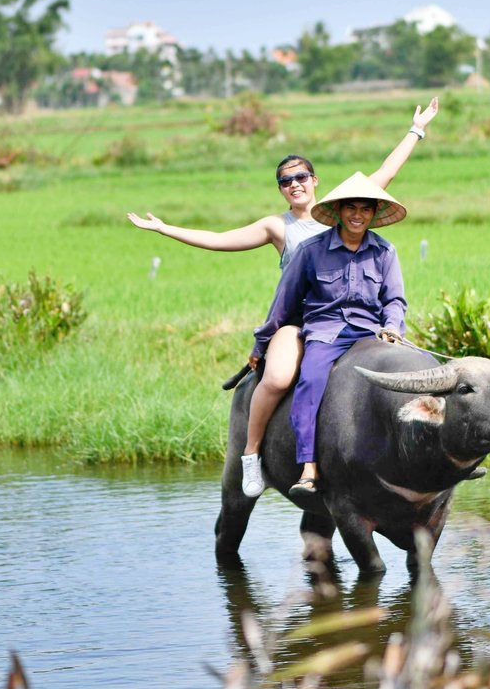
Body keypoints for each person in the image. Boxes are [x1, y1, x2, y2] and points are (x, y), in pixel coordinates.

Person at [127, 98, 437, 495]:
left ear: (316, 181)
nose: (295, 185)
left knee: (417, 369)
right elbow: (220, 241)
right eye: (286, 181)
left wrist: (417, 128)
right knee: (278, 379)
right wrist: (166, 229)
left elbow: (386, 171)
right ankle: (253, 454)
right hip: (304, 319)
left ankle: (428, 457)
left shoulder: (356, 215)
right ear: (281, 189)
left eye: (301, 177)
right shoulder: (281, 227)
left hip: (363, 320)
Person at [250, 172, 407, 498]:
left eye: (366, 209)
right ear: (338, 211)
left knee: (413, 375)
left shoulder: (384, 251)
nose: (357, 215)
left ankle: (415, 461)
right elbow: (283, 304)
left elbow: (394, 300)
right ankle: (308, 466)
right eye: (351, 208)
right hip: (325, 332)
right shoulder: (311, 251)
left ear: (375, 213)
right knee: (310, 382)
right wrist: (261, 343)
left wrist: (392, 328)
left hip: (371, 332)